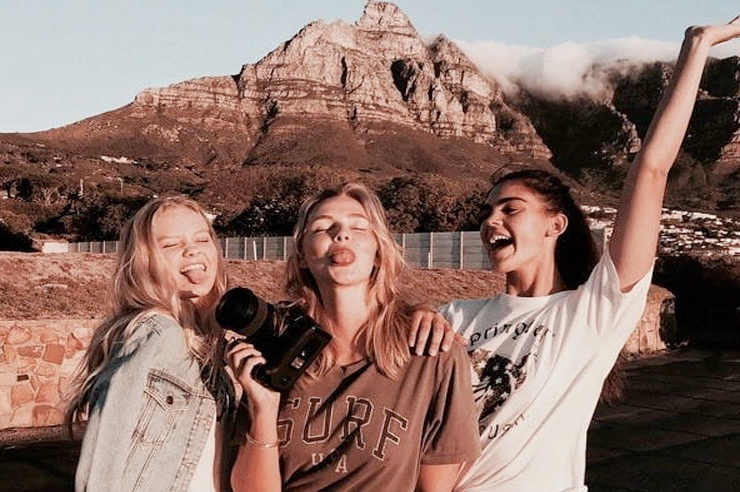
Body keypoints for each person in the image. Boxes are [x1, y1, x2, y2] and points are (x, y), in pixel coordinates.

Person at [438, 17, 740, 492]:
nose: (491, 221)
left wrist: (698, 46)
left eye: (510, 209)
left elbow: (651, 170)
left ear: (555, 225)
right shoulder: (454, 316)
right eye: (487, 211)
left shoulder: (593, 311)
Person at [227, 183, 481, 492]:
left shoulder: (431, 352)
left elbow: (435, 488)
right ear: (303, 255)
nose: (341, 234)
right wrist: (264, 409)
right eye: (322, 227)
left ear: (378, 252)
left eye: (359, 227)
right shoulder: (274, 348)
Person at [66, 196, 234, 492]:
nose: (192, 249)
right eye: (171, 245)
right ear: (143, 261)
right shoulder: (155, 333)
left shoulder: (209, 339)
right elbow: (106, 449)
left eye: (202, 238)